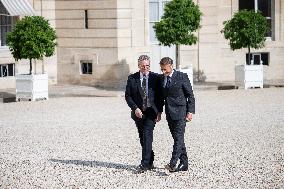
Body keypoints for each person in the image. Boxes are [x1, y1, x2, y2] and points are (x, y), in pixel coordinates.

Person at [125, 55, 163, 173]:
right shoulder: (132, 78)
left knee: (147, 135)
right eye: (143, 66)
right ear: (139, 66)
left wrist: (160, 111)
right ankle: (150, 160)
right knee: (142, 138)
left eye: (147, 65)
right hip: (138, 113)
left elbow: (160, 96)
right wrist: (135, 108)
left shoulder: (156, 77)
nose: (145, 68)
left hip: (151, 112)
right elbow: (128, 96)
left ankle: (144, 164)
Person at [159, 57, 195, 172]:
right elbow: (161, 97)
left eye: (165, 70)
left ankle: (172, 163)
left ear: (171, 66)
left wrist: (190, 111)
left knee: (178, 138)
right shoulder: (162, 78)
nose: (163, 72)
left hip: (181, 112)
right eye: (162, 70)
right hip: (169, 113)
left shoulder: (182, 76)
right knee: (178, 138)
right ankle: (184, 164)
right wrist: (159, 112)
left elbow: (190, 95)